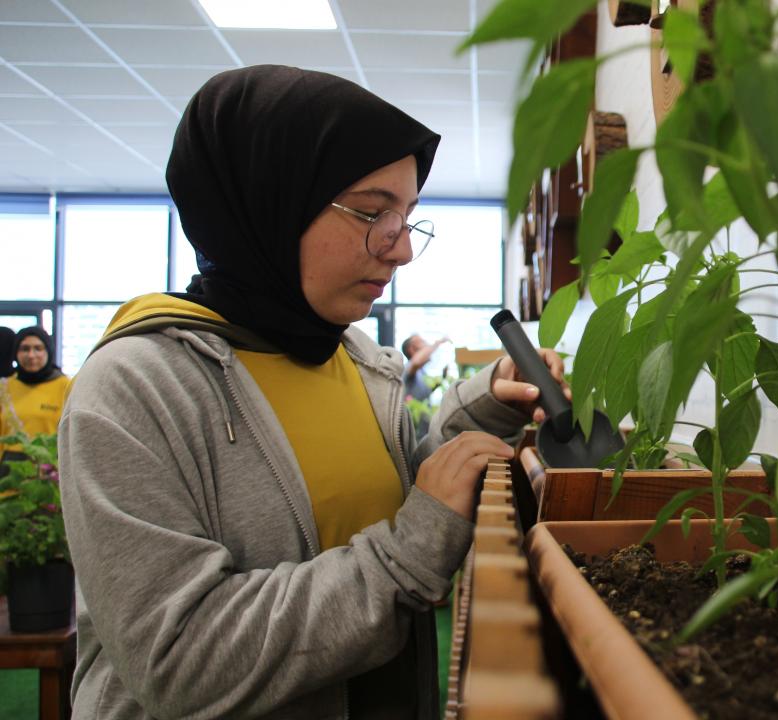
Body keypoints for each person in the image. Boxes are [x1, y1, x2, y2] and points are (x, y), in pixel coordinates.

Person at [58, 65, 565, 720]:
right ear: (270, 199)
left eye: (408, 216)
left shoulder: (354, 357)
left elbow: (387, 499)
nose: (402, 248)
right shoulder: (134, 390)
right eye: (373, 211)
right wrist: (410, 553)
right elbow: (180, 656)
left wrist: (487, 403)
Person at [1, 326, 72, 454]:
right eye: (25, 349)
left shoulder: (66, 386)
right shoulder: (4, 388)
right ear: (16, 353)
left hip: (50, 467)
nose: (31, 355)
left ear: (48, 351)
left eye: (38, 348)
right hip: (9, 469)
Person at [401, 332, 451, 402]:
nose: (427, 345)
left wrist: (443, 377)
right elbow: (416, 362)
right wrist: (438, 343)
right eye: (422, 342)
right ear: (411, 349)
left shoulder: (421, 372)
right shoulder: (407, 367)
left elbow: (427, 392)